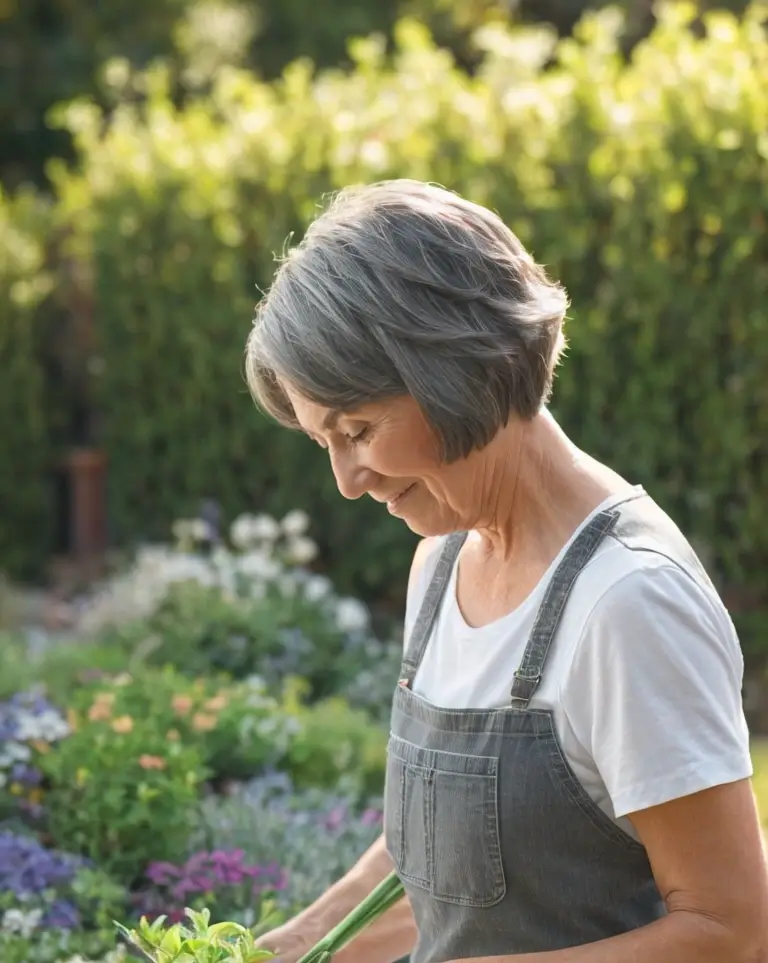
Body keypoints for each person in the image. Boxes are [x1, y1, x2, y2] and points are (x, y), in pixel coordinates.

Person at [244, 180, 767, 963]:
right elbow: (446, 866)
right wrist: (289, 947)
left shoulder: (628, 603)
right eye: (327, 442)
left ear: (455, 368)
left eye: (357, 430)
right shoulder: (442, 563)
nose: (348, 481)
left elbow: (732, 932)